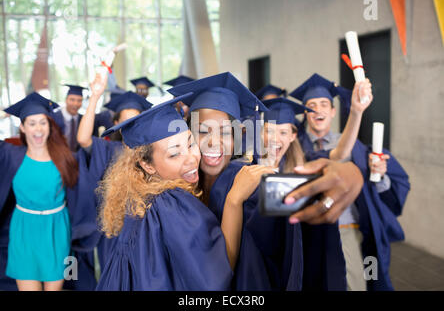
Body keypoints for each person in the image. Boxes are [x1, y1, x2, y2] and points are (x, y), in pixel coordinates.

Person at [168, 72, 365, 291]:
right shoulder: (176, 188)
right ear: (187, 135)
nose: (213, 142)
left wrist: (346, 174)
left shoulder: (244, 178)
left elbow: (293, 197)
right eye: (202, 131)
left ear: (237, 137)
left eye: (225, 132)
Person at [95, 95, 270, 290]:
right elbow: (215, 276)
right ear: (147, 165)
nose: (191, 159)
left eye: (190, 143)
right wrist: (234, 200)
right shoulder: (170, 203)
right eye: (174, 153)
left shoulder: (140, 198)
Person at [289, 73, 411, 291]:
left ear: (333, 111)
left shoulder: (354, 146)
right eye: (311, 106)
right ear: (305, 114)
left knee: (354, 283)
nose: (318, 110)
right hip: (308, 231)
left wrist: (379, 173)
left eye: (324, 104)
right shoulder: (294, 145)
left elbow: (372, 184)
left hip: (347, 228)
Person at [73, 74, 153, 282]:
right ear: (115, 123)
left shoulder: (151, 155)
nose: (130, 125)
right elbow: (82, 138)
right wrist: (94, 97)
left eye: (135, 120)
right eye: (124, 120)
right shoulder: (108, 149)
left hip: (142, 228)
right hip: (114, 229)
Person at [0, 92, 78, 291]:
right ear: (23, 128)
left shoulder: (64, 157)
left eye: (43, 122)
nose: (38, 129)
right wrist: (4, 114)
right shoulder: (10, 155)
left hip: (57, 231)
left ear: (50, 126)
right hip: (23, 231)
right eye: (32, 123)